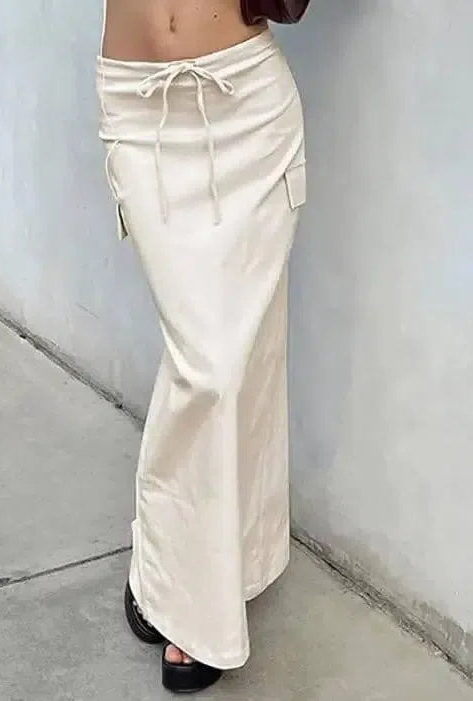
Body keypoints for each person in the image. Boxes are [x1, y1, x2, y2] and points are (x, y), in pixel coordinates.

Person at [96, 0, 307, 693]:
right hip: (140, 109)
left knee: (237, 364)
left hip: (249, 104)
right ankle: (180, 570)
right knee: (209, 366)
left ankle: (185, 593)